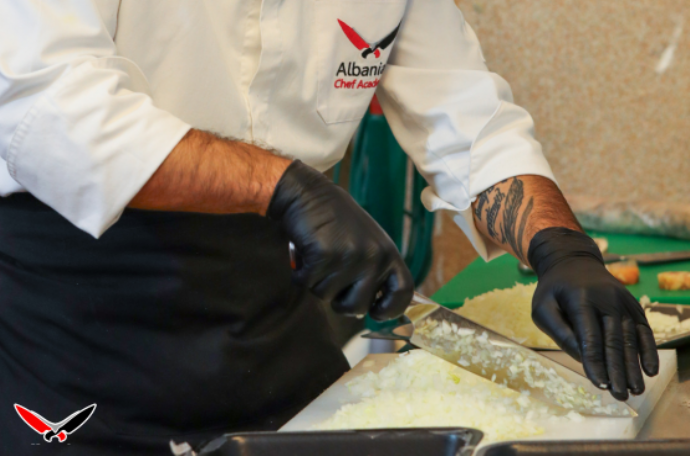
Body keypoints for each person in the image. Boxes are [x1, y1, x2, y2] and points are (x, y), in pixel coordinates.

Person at [0, 1, 658, 454]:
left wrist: (558, 246)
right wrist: (281, 185)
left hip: (273, 314)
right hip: (82, 317)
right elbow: (54, 105)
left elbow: (465, 116)